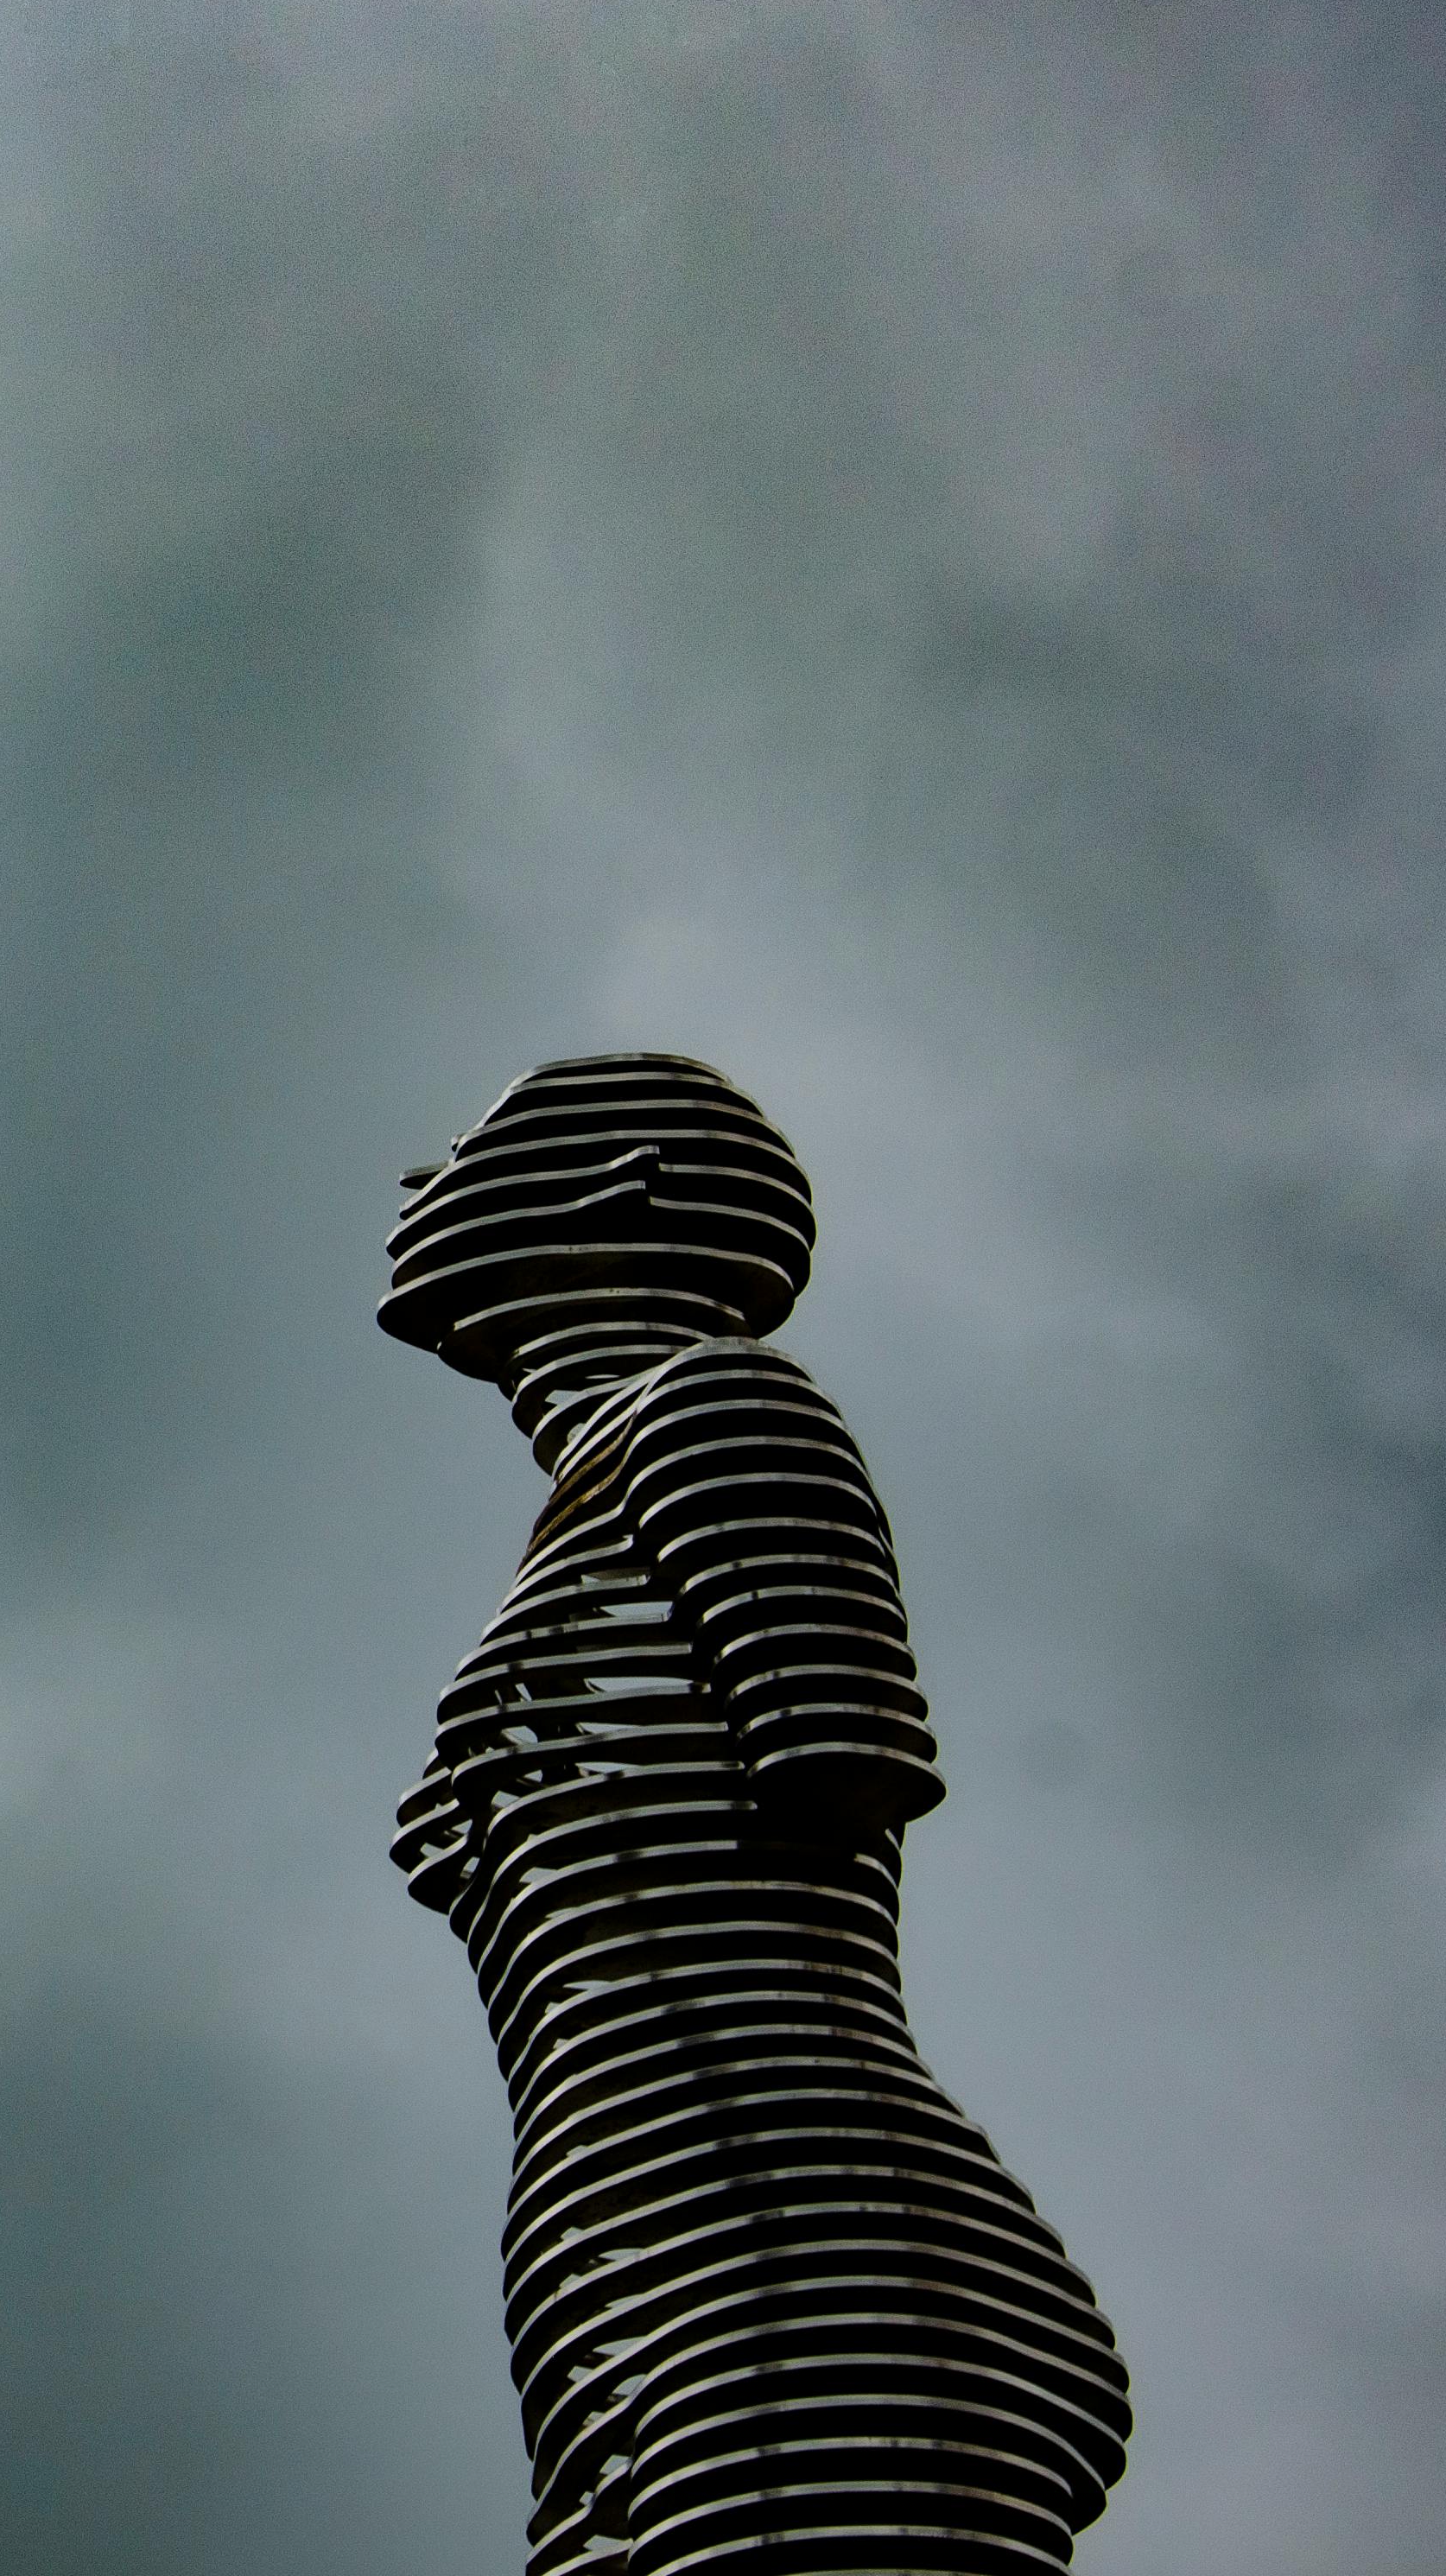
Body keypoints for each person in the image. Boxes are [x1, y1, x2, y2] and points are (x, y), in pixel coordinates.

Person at [386, 1051, 1131, 2575]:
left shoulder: (722, 1414)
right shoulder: (583, 1511)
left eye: (473, 1145)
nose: (420, 1176)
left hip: (796, 2243)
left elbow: (838, 1754)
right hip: (624, 2256)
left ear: (626, 1188)